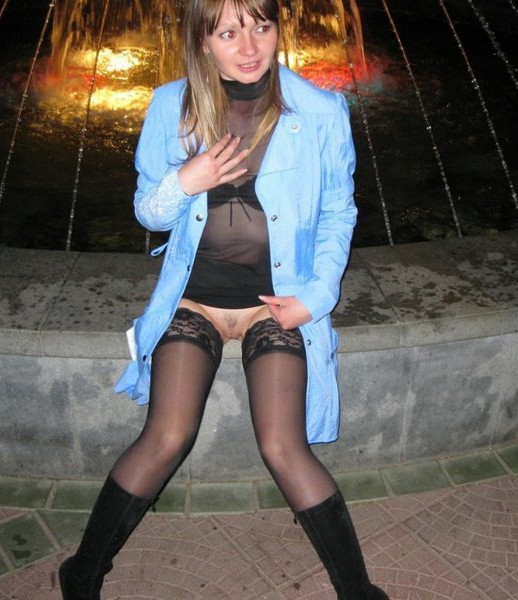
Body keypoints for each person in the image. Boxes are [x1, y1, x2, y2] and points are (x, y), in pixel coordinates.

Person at [59, 0, 387, 598]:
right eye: (229, 32)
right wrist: (188, 181)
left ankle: (359, 592)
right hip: (196, 299)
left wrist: (315, 297)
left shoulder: (320, 111)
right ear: (203, 41)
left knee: (282, 446)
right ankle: (81, 571)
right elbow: (149, 213)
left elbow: (339, 212)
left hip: (274, 301)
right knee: (167, 435)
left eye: (261, 26)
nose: (249, 46)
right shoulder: (172, 106)